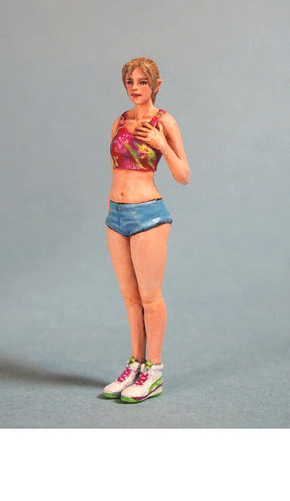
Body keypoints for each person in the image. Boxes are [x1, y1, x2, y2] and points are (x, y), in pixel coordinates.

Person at [103, 57, 190, 403]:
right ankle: (136, 363)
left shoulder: (163, 121)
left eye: (142, 81)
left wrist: (161, 144)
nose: (135, 88)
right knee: (130, 297)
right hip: (116, 215)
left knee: (150, 297)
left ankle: (154, 370)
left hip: (147, 215)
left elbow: (183, 175)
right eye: (130, 81)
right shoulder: (120, 121)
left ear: (156, 84)